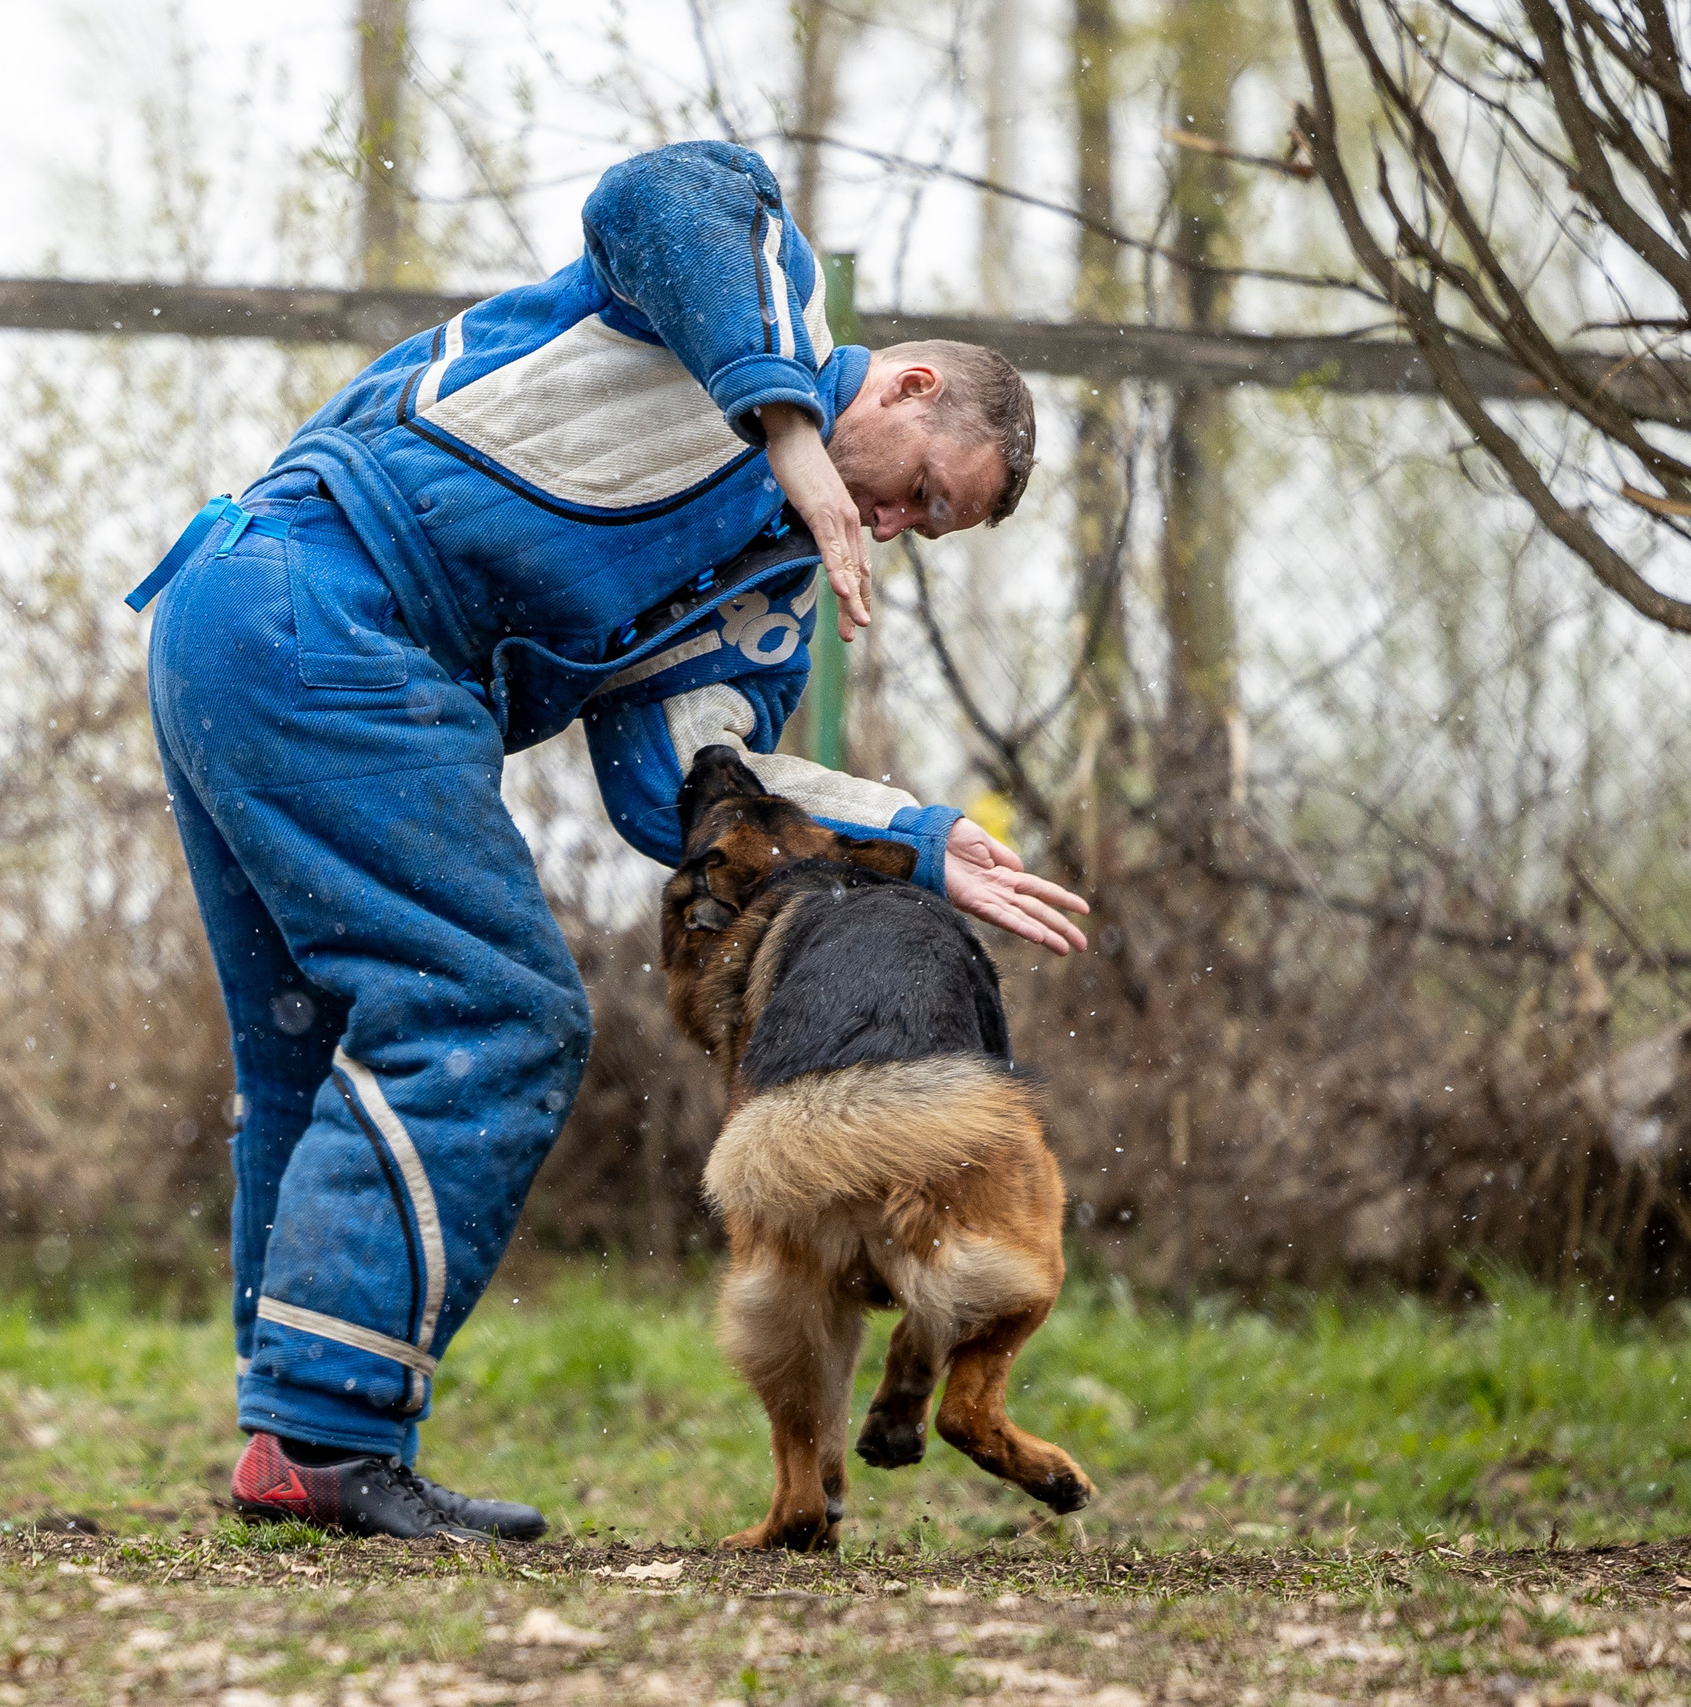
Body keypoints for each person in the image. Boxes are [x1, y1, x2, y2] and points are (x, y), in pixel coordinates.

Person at [129, 140, 1090, 1541]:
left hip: (254, 632)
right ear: (908, 387)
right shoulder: (760, 301)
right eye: (922, 491)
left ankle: (298, 1438)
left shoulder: (766, 594)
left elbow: (688, 794)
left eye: (925, 530)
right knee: (490, 1010)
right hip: (316, 599)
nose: (892, 524)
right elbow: (659, 197)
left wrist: (917, 841)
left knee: (310, 1034)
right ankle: (329, 1437)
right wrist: (785, 433)